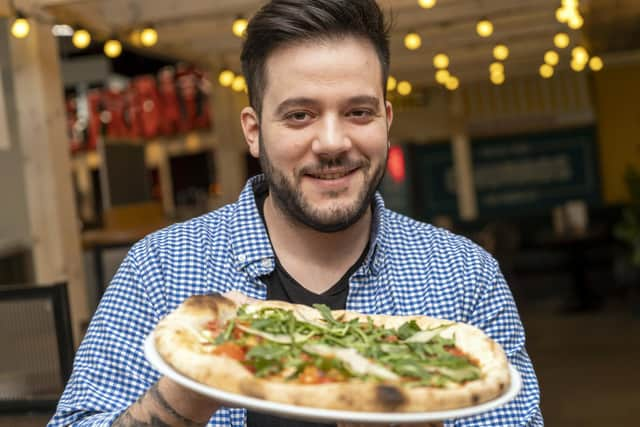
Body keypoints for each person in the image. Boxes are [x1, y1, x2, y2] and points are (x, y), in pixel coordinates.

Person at [48, 0, 542, 426]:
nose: (332, 143)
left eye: (358, 112)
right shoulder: (161, 268)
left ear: (386, 120)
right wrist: (195, 375)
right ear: (254, 130)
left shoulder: (463, 276)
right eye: (299, 115)